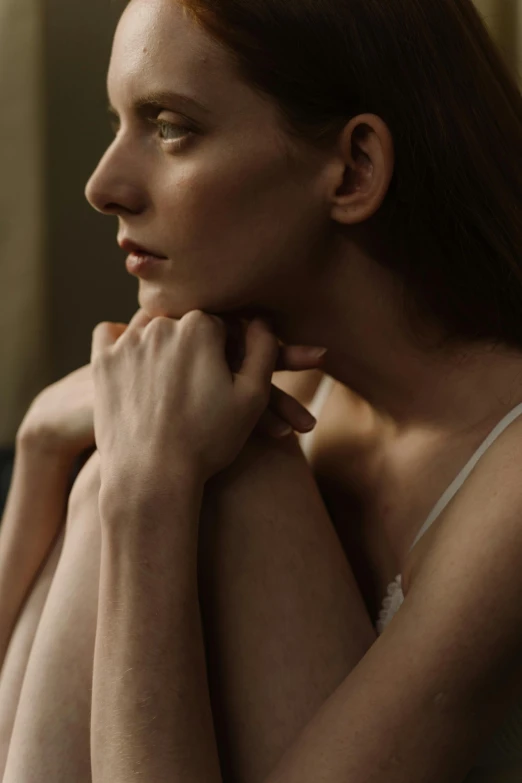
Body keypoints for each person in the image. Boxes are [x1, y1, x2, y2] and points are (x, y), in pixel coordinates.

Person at [1, 0, 522, 780]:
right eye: (118, 123)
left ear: (353, 170)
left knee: (191, 468)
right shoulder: (284, 375)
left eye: (170, 125)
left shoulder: (509, 484)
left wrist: (147, 497)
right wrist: (44, 446)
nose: (103, 185)